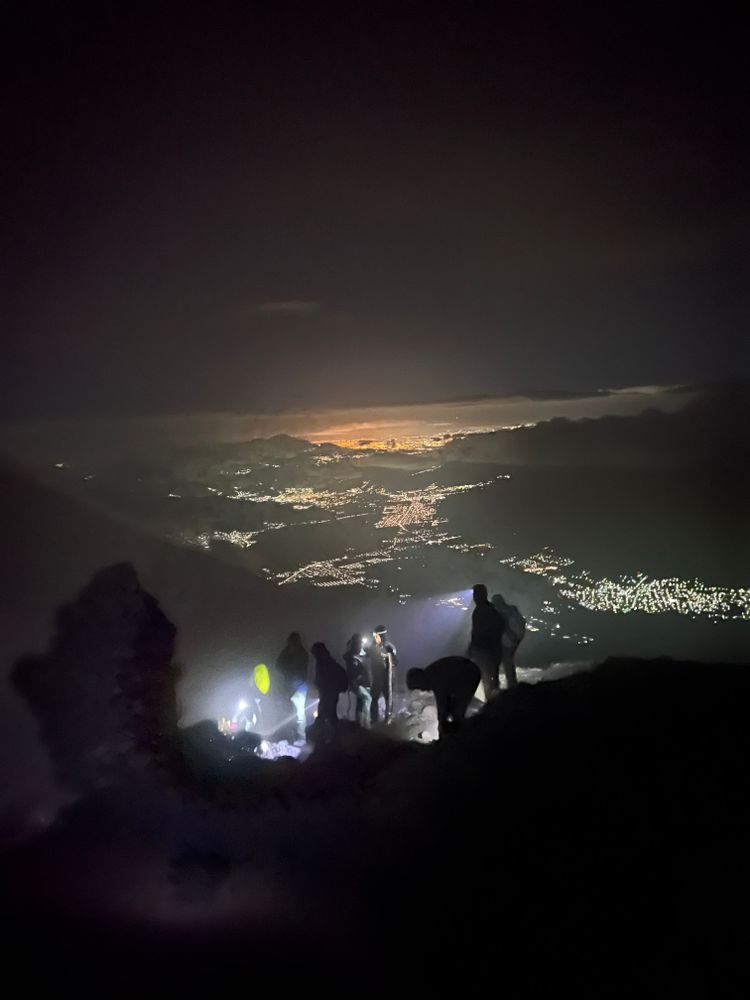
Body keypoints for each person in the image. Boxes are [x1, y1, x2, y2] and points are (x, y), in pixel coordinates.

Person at [407, 657, 480, 738]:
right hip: (469, 672)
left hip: (467, 674)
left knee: (457, 713)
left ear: (419, 680)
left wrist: (442, 723)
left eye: (419, 686)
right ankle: (458, 735)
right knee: (456, 713)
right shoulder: (432, 674)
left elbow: (442, 702)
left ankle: (462, 737)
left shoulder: (434, 678)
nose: (422, 689)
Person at [469, 583, 506, 700]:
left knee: (487, 678)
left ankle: (491, 703)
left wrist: (472, 648)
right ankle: (495, 702)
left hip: (485, 651)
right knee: (493, 678)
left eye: (475, 594)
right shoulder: (492, 609)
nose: (474, 598)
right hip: (493, 650)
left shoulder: (480, 611)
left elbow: (477, 632)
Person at [275, 631, 309, 743]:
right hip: (300, 684)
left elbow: (278, 665)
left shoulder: (289, 652)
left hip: (291, 684)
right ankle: (300, 735)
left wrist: (287, 672)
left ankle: (294, 735)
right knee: (299, 712)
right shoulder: (303, 652)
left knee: (292, 711)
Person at [311, 642, 348, 728]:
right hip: (333, 691)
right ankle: (333, 731)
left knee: (325, 712)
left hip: (328, 692)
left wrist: (317, 684)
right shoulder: (329, 661)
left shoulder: (322, 662)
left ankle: (323, 731)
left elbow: (322, 678)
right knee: (331, 713)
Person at [492, 594, 525, 689]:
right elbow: (521, 625)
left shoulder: (500, 612)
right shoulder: (512, 610)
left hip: (506, 642)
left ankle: (506, 687)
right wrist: (517, 639)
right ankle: (512, 686)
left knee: (504, 664)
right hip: (512, 641)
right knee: (508, 664)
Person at [368, 625, 398, 723]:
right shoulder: (373, 647)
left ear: (381, 636)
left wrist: (389, 655)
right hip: (377, 678)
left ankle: (388, 720)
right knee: (374, 699)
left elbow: (395, 662)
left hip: (388, 679)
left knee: (388, 699)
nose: (374, 638)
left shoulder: (390, 647)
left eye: (376, 636)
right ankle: (374, 720)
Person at [344, 633, 373, 728]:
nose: (360, 644)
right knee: (367, 699)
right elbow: (354, 670)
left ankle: (360, 724)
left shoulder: (361, 654)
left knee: (361, 703)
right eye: (359, 643)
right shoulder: (351, 656)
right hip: (357, 683)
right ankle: (366, 724)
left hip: (364, 683)